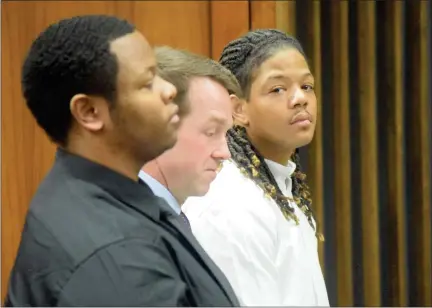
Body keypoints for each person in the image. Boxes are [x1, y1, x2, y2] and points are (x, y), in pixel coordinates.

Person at [5, 15, 238, 307]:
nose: (168, 91)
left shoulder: (100, 191)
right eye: (148, 82)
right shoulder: (116, 257)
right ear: (89, 111)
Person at [183, 29, 330, 306]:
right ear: (238, 110)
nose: (300, 98)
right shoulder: (230, 203)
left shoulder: (282, 186)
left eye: (307, 86)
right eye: (278, 89)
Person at [141, 46, 241, 214]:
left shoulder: (162, 216)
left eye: (225, 134)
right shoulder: (128, 227)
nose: (225, 153)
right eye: (211, 132)